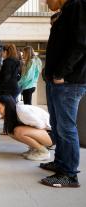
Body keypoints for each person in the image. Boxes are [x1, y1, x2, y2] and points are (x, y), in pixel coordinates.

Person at [41, 0, 86, 188]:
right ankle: (60, 162)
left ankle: (69, 174)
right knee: (57, 124)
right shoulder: (66, 11)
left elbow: (81, 44)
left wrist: (61, 73)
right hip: (57, 80)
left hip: (68, 82)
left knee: (66, 127)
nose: (45, 2)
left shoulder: (78, 6)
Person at [0, 95, 52, 161]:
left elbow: (41, 125)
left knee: (19, 131)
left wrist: (31, 133)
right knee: (11, 132)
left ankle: (43, 152)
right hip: (43, 133)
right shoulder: (14, 112)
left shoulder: (22, 112)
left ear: (7, 106)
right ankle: (35, 149)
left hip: (51, 134)